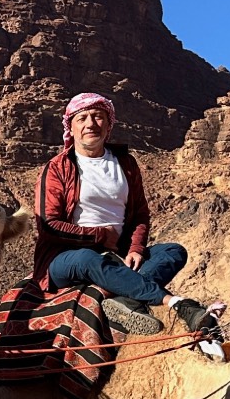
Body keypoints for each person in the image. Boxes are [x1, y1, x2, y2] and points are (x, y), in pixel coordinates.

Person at [34, 92, 218, 338]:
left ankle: (126, 301)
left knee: (173, 251)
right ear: (71, 126)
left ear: (109, 124)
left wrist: (135, 249)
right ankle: (176, 303)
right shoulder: (58, 167)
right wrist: (98, 237)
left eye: (98, 117)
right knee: (88, 259)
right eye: (82, 118)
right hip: (64, 258)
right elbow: (49, 225)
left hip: (117, 252)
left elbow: (140, 213)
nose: (91, 124)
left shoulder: (125, 163)